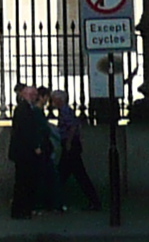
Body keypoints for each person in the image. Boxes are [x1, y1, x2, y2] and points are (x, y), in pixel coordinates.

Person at [8, 84, 52, 217]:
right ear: (27, 95)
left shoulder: (25, 108)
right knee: (23, 182)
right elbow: (26, 131)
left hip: (23, 151)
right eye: (33, 95)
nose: (35, 97)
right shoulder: (23, 109)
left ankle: (23, 209)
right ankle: (20, 210)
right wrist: (35, 146)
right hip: (24, 152)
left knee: (24, 182)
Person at [55, 91, 99, 211]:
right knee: (69, 175)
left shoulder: (64, 111)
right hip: (72, 146)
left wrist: (68, 142)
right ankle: (56, 200)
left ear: (60, 100)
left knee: (72, 175)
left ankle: (55, 201)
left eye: (54, 99)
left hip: (70, 146)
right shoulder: (65, 110)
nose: (53, 102)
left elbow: (73, 126)